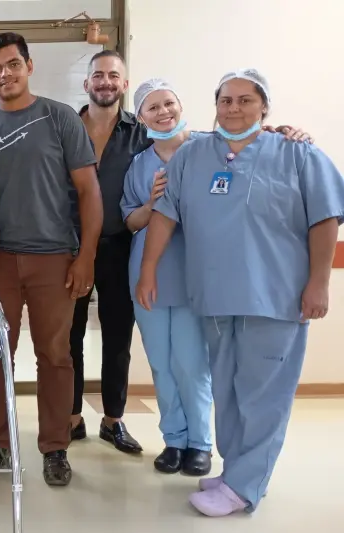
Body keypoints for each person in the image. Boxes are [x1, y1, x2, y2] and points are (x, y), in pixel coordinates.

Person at [137, 68, 344, 517]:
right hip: (214, 296)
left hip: (275, 297)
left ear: (264, 106)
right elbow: (166, 214)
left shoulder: (295, 152)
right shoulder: (194, 156)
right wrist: (148, 270)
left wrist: (319, 282)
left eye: (245, 100)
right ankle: (238, 473)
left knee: (263, 394)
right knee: (228, 390)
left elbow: (325, 217)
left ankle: (244, 487)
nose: (234, 108)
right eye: (226, 100)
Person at [0, 32, 102, 486]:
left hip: (55, 260)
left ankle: (55, 447)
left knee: (56, 356)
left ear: (29, 65)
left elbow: (89, 192)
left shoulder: (60, 118)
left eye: (13, 64)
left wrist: (86, 259)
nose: (6, 74)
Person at [120, 79, 213, 475]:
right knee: (161, 361)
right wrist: (152, 202)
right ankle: (174, 439)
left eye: (168, 103)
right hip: (148, 273)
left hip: (195, 271)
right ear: (141, 117)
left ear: (180, 105)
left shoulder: (209, 151)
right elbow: (130, 220)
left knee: (193, 363)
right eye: (152, 107)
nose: (163, 112)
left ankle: (201, 442)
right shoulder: (140, 165)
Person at [69, 50, 149, 454]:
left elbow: (190, 143)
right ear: (86, 84)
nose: (105, 82)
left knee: (118, 336)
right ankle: (71, 417)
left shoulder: (143, 131)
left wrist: (269, 129)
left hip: (121, 245)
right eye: (97, 75)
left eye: (112, 76)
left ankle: (113, 419)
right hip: (69, 245)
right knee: (69, 334)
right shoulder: (65, 127)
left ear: (124, 83)